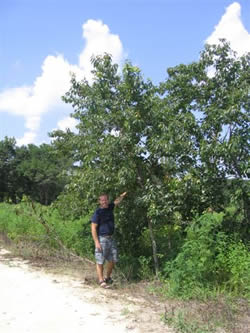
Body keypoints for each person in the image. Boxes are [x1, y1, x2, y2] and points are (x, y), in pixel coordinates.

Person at [91, 191, 127, 288]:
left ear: (108, 200)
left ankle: (107, 278)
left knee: (113, 259)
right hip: (102, 239)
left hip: (111, 238)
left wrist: (122, 195)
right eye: (102, 200)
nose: (104, 201)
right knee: (100, 260)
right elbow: (93, 227)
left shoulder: (110, 207)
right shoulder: (98, 212)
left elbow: (116, 201)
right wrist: (96, 242)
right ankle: (101, 280)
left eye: (106, 200)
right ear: (99, 201)